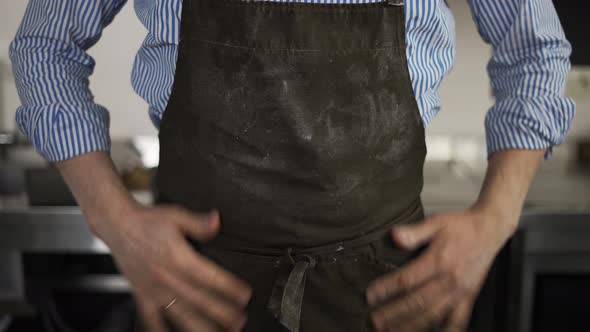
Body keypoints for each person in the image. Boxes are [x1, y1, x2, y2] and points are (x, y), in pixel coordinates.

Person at [10, 0, 575, 331]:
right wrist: (118, 223)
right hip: (195, 294)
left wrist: (495, 219)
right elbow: (45, 47)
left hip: (382, 297)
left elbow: (534, 50)